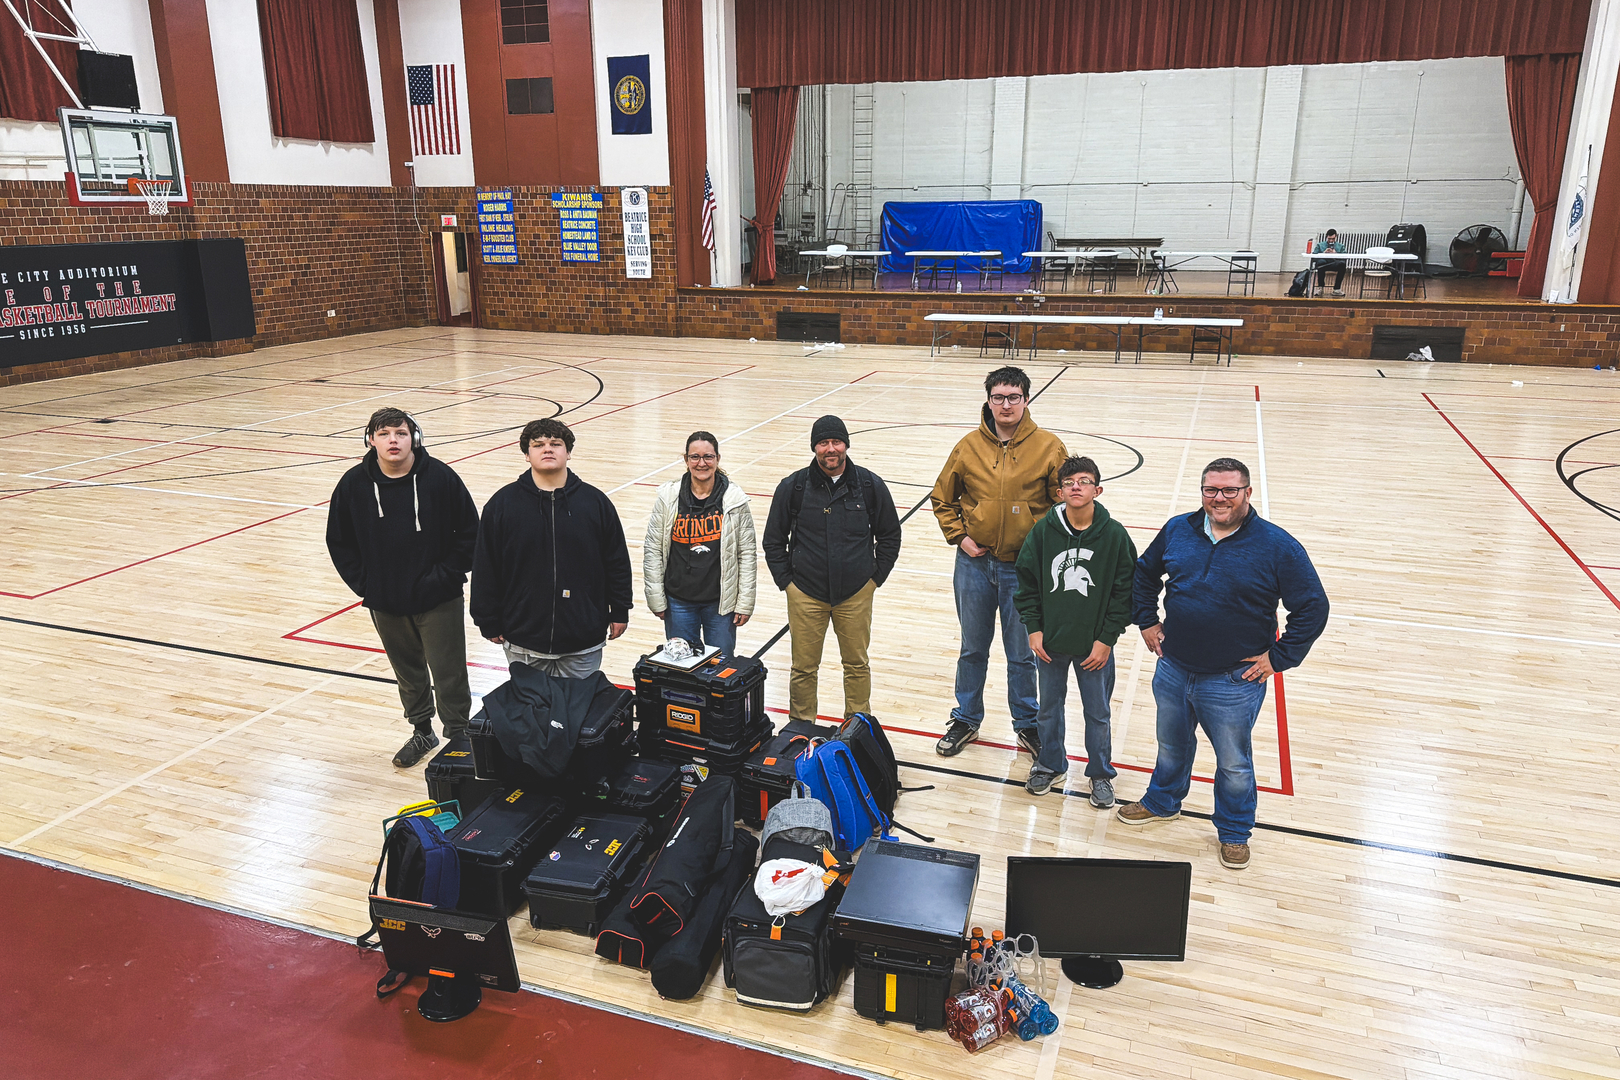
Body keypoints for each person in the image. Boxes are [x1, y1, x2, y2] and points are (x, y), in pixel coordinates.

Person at [1117, 458, 1329, 870]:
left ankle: (1234, 832)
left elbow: (1313, 607)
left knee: (1233, 763)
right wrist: (1146, 620)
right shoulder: (1179, 529)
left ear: (1248, 493)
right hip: (1174, 667)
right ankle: (1163, 801)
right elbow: (1144, 574)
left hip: (1234, 681)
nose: (1219, 498)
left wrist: (1280, 657)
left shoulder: (1277, 545)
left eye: (1230, 490)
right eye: (1211, 490)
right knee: (1172, 745)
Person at [325, 407, 480, 768]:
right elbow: (339, 542)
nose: (393, 440)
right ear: (370, 440)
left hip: (439, 598)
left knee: (449, 671)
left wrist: (444, 576)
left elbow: (471, 534)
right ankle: (422, 730)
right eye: (384, 434)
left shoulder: (440, 478)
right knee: (407, 672)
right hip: (385, 600)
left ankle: (458, 736)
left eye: (400, 433)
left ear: (415, 438)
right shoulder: (352, 484)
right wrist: (367, 586)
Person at [929, 366, 1067, 759]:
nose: (1006, 405)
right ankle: (966, 718)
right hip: (974, 564)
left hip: (1023, 571)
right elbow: (942, 499)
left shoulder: (1049, 447)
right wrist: (961, 537)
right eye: (998, 398)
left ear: (1026, 399)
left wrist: (1040, 551)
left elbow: (1065, 506)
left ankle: (1027, 723)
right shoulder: (968, 446)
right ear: (988, 400)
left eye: (1014, 397)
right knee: (972, 647)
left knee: (1022, 652)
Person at [762, 415, 902, 723]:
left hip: (855, 594)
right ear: (814, 447)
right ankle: (800, 731)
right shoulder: (793, 487)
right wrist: (788, 583)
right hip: (805, 594)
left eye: (836, 442)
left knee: (856, 665)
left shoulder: (869, 485)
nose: (830, 449)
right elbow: (773, 541)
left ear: (846, 445)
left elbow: (890, 535)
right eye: (823, 443)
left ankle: (856, 730)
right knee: (803, 669)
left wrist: (874, 580)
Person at [1013, 456, 1136, 803]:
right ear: (1060, 491)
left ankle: (1100, 773)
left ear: (1097, 489)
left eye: (1084, 481)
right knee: (1048, 708)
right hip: (1049, 643)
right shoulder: (1042, 532)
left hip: (1094, 647)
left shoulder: (1114, 536)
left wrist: (1106, 640)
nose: (1076, 487)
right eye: (1069, 483)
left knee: (1097, 713)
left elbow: (1124, 593)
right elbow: (1026, 584)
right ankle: (1050, 764)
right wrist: (1033, 629)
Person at [470, 418, 632, 677]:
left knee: (579, 716)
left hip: (583, 640)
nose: (548, 449)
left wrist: (620, 609)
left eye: (555, 443)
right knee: (532, 716)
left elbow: (617, 562)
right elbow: (486, 567)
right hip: (523, 639)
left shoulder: (596, 503)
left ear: (568, 452)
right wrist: (487, 619)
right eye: (538, 444)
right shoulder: (502, 505)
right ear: (527, 454)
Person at [643, 430, 757, 655]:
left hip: (720, 605)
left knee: (721, 669)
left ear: (717, 459)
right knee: (682, 671)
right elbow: (653, 550)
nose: (701, 463)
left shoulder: (734, 499)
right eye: (695, 457)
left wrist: (744, 603)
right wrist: (656, 598)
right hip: (678, 603)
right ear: (686, 460)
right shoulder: (668, 498)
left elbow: (747, 554)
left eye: (708, 457)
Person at [1315, 228, 1347, 295]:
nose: (1331, 241)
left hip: (1334, 263)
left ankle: (1337, 288)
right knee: (1320, 263)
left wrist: (1336, 254)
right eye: (1329, 239)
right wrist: (1323, 253)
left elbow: (1345, 257)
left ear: (1336, 238)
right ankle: (1320, 287)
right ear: (1326, 237)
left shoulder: (1340, 246)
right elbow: (1314, 256)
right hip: (1324, 263)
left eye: (1333, 239)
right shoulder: (1320, 245)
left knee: (1342, 265)